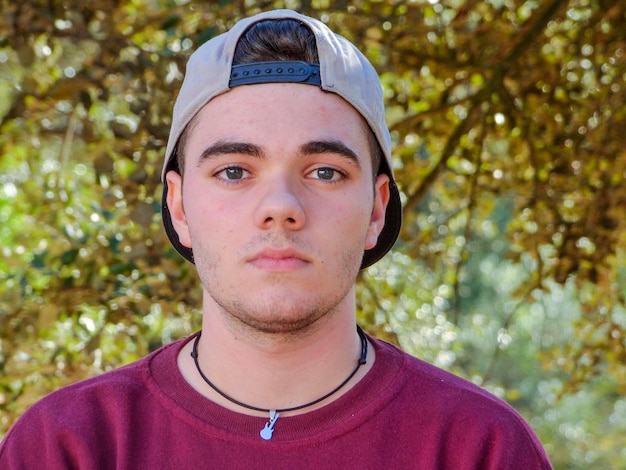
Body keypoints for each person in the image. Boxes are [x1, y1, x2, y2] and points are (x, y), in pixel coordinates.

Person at [0, 9, 552, 469]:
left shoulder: (480, 449)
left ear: (376, 211)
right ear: (179, 206)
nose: (281, 209)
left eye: (325, 171)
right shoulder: (66, 448)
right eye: (235, 171)